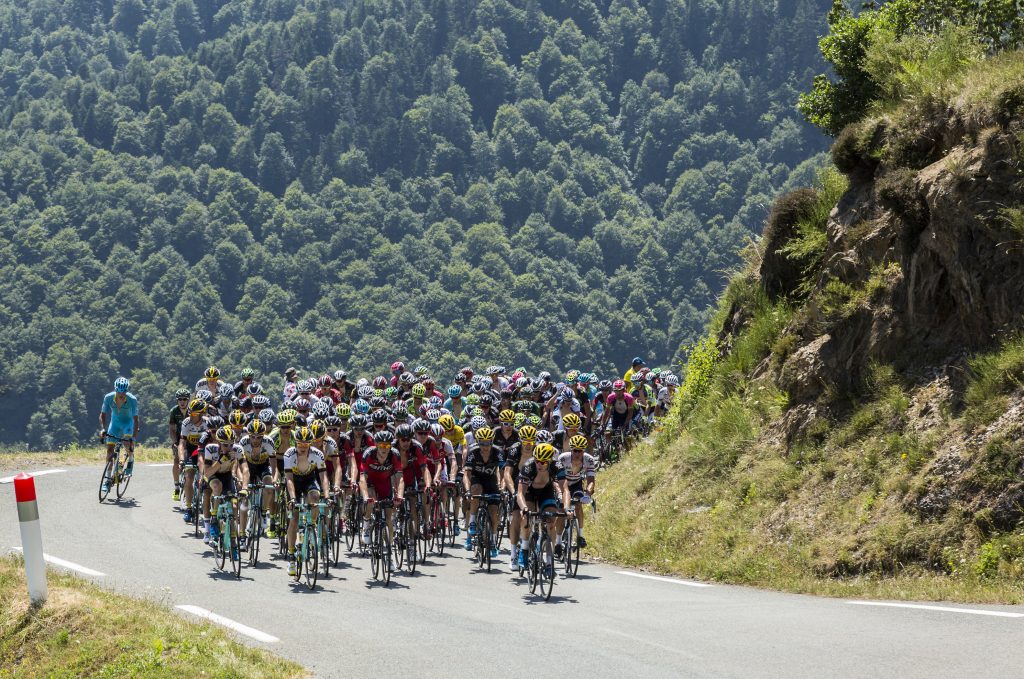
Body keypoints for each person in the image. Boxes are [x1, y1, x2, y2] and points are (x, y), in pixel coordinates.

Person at [99, 377, 139, 494]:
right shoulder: (108, 398)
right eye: (119, 391)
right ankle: (107, 479)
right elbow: (103, 414)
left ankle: (130, 459)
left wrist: (133, 437)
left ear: (126, 391)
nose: (121, 394)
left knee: (127, 443)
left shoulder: (132, 399)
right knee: (109, 450)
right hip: (115, 424)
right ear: (115, 389)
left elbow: (136, 420)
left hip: (128, 424)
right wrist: (103, 429)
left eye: (124, 392)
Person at [169, 387, 191, 501]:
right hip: (178, 438)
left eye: (184, 399)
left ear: (188, 400)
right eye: (180, 399)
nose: (182, 401)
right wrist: (174, 442)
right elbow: (172, 429)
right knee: (176, 460)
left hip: (190, 438)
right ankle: (177, 487)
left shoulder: (192, 411)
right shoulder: (174, 411)